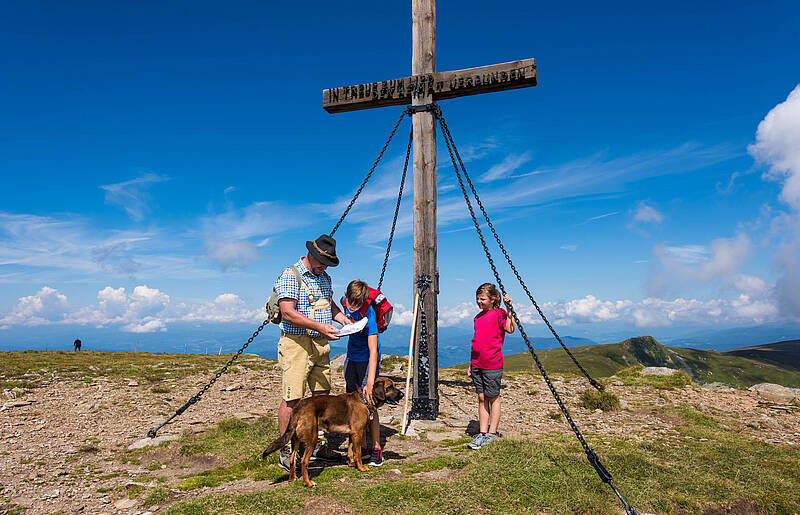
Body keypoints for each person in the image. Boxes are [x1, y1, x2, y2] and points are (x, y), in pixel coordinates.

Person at [273, 234, 352, 470]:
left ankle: (319, 445)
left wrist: (343, 320)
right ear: (311, 255)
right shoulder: (290, 276)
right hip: (296, 344)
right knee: (293, 398)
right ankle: (287, 451)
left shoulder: (324, 277)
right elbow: (287, 312)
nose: (324, 267)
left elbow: (329, 305)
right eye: (321, 262)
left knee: (322, 395)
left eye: (327, 263)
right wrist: (319, 326)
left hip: (320, 343)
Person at [340, 280, 384, 466]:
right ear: (346, 296)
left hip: (367, 359)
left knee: (370, 403)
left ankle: (376, 448)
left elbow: (373, 350)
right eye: (351, 302)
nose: (353, 306)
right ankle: (362, 446)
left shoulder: (369, 313)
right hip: (352, 357)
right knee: (354, 403)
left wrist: (371, 381)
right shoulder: (343, 301)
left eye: (357, 303)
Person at [467, 283, 515, 450]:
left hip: (492, 363)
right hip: (477, 363)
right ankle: (482, 432)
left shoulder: (499, 313)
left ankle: (492, 433)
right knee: (481, 398)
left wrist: (510, 310)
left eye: (483, 299)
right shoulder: (478, 317)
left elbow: (509, 329)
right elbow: (476, 342)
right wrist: (471, 363)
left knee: (493, 397)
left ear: (493, 299)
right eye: (477, 299)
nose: (479, 302)